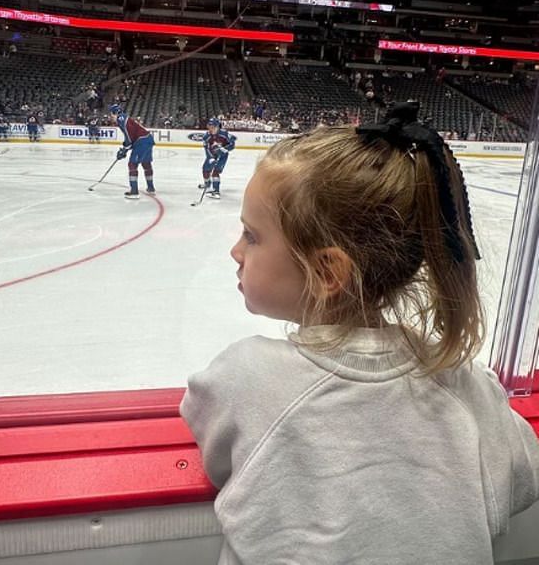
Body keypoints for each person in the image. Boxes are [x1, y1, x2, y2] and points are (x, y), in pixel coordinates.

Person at [181, 102, 539, 565]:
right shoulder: (465, 382)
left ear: (327, 271)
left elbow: (210, 433)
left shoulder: (243, 376)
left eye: (252, 235)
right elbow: (523, 472)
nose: (236, 251)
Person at [109, 103, 155, 197]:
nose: (110, 117)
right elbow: (130, 137)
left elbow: (129, 138)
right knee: (146, 163)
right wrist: (125, 147)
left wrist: (124, 150)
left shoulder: (121, 119)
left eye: (111, 114)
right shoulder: (125, 117)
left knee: (132, 164)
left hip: (141, 142)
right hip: (147, 139)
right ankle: (151, 188)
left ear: (115, 113)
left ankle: (134, 191)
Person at [199, 117, 236, 199]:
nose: (211, 129)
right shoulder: (206, 136)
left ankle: (216, 191)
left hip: (222, 156)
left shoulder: (224, 133)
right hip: (212, 155)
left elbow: (233, 144)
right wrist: (210, 157)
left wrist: (225, 149)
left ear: (217, 127)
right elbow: (207, 149)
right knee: (205, 169)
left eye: (213, 127)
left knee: (215, 172)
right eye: (210, 126)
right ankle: (207, 184)